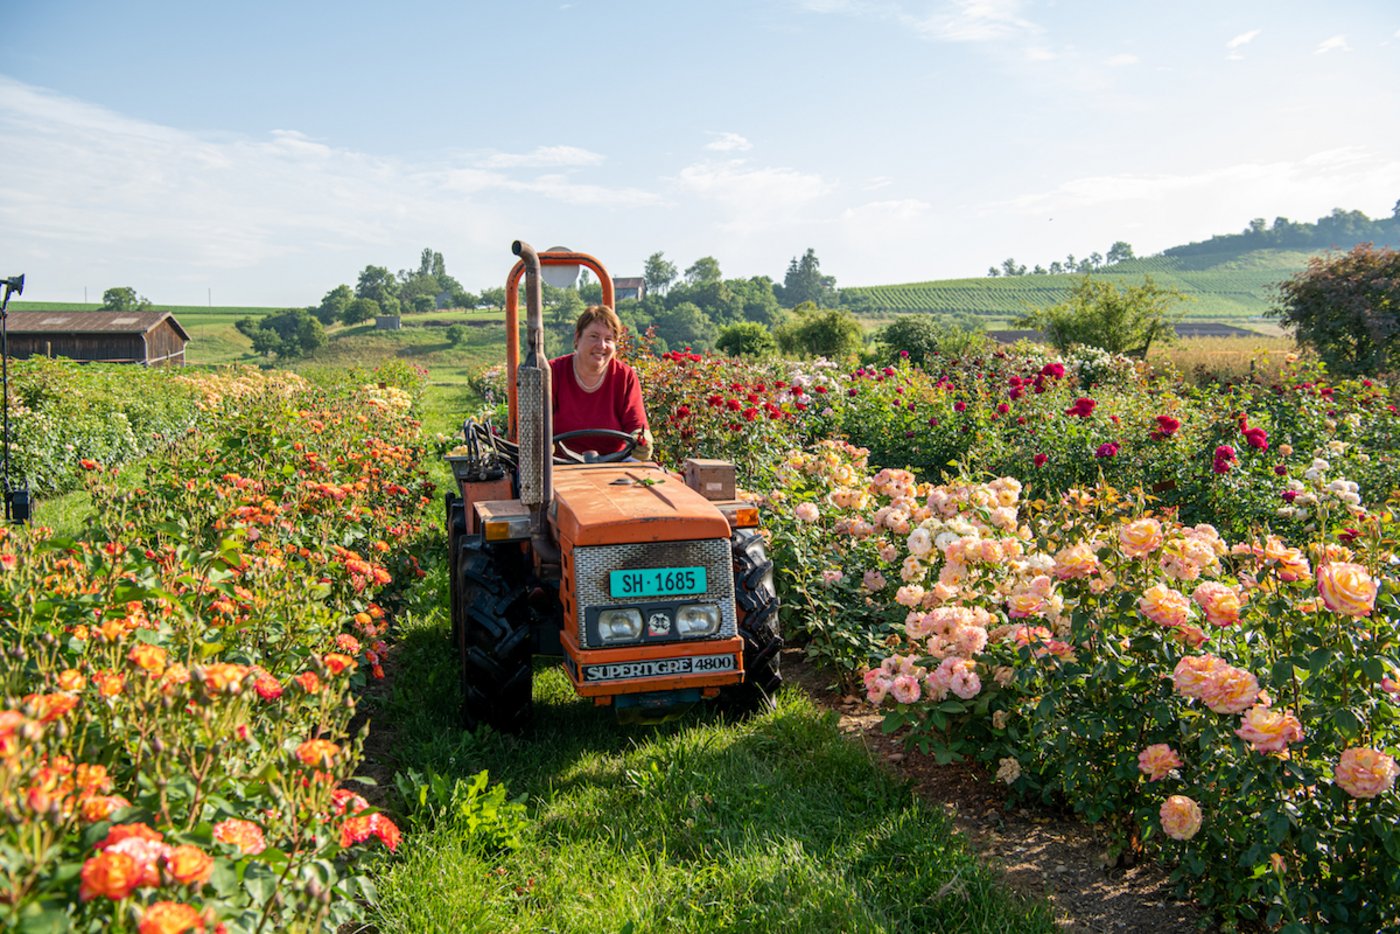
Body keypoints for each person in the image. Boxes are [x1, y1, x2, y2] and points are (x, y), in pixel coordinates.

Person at [549, 305, 653, 460]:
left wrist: (643, 440)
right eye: (594, 336)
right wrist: (543, 445)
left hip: (613, 462)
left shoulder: (625, 376)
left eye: (608, 339)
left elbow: (636, 424)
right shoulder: (552, 372)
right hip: (559, 463)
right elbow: (537, 424)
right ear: (577, 338)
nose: (601, 345)